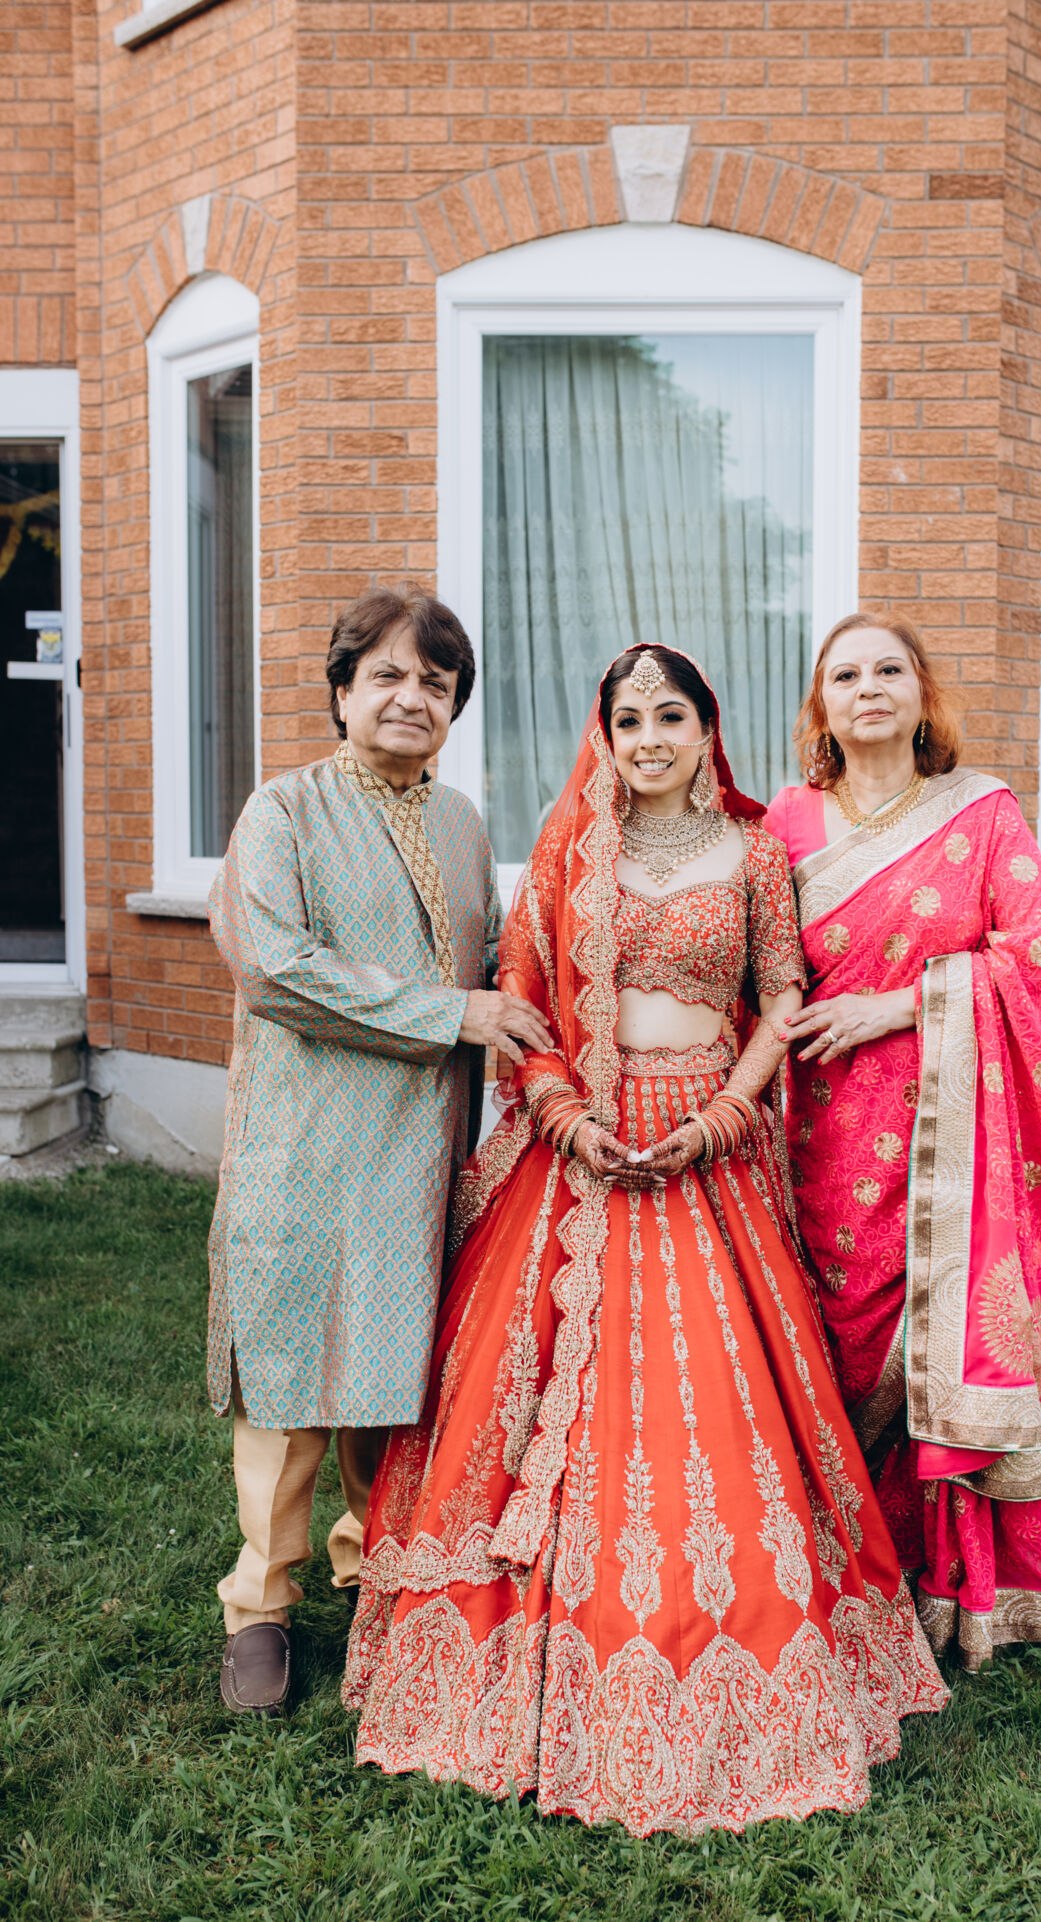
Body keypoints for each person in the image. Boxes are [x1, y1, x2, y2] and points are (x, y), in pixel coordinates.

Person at [342, 644, 948, 1836]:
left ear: (705, 728)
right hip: (577, 1148)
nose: (650, 738)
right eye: (628, 720)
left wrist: (724, 1115)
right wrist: (564, 1115)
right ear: (605, 735)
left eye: (671, 716)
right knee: (513, 1405)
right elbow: (521, 1000)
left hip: (708, 1149)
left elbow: (780, 995)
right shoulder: (571, 844)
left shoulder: (754, 848)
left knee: (721, 1408)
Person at [206, 583, 553, 1717]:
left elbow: (496, 963)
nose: (412, 698)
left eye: (436, 683)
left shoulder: (461, 822)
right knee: (289, 1375)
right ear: (343, 692)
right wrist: (453, 1014)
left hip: (422, 1149)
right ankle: (260, 1603)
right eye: (389, 676)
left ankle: (375, 1567)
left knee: (397, 1374)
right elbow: (274, 967)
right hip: (303, 1141)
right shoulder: (283, 810)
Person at [763, 611, 1041, 1672]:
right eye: (845, 675)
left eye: (889, 669)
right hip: (819, 1130)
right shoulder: (784, 821)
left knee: (944, 1333)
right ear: (821, 706)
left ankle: (955, 1579)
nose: (868, 687)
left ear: (921, 693)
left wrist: (898, 1004)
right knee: (837, 1337)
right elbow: (751, 964)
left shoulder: (981, 812)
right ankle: (851, 1568)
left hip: (953, 1131)